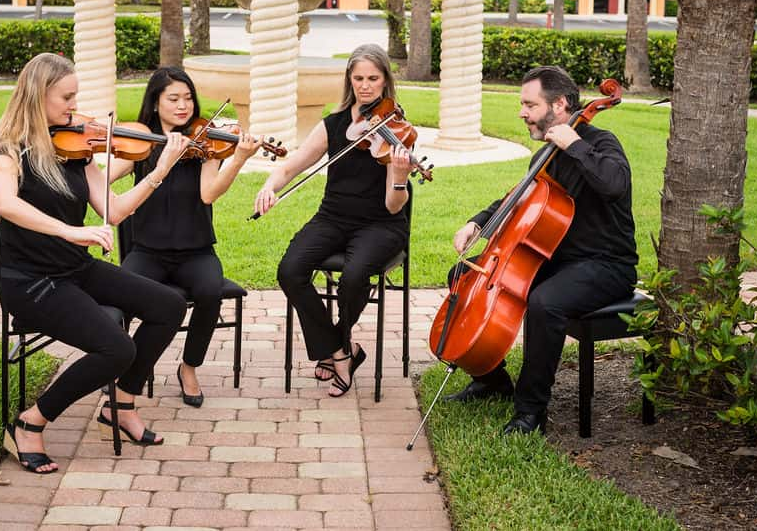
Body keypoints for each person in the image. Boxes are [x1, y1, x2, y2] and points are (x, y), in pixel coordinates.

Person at [0, 53, 187, 474]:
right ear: (38, 96)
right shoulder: (9, 151)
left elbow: (112, 210)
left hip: (74, 270)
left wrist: (159, 170)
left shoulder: (75, 149)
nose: (74, 107)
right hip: (31, 281)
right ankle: (30, 422)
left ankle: (121, 404)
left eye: (75, 97)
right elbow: (7, 204)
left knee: (168, 306)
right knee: (116, 347)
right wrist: (72, 231)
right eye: (66, 97)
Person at [444, 65, 638, 436]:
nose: (522, 112)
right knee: (464, 276)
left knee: (545, 302)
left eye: (529, 105)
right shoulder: (544, 157)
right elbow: (516, 199)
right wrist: (478, 223)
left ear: (560, 104)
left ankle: (530, 412)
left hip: (606, 265)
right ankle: (490, 378)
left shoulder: (600, 142)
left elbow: (615, 184)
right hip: (559, 260)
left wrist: (575, 145)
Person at [255, 44, 412, 397]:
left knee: (355, 276)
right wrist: (269, 185)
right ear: (349, 80)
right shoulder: (334, 124)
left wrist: (399, 176)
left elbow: (392, 206)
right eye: (358, 78)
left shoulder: (397, 130)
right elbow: (292, 165)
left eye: (373, 78)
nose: (366, 86)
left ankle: (335, 348)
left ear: (386, 80)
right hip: (333, 217)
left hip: (380, 224)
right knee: (290, 270)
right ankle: (342, 350)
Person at [110, 66, 262, 407]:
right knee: (120, 298)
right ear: (156, 102)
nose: (183, 105)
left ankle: (189, 367)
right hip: (147, 251)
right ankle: (126, 368)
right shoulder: (142, 143)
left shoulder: (206, 140)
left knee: (210, 291)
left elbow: (208, 194)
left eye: (188, 98)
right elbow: (103, 179)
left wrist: (237, 159)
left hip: (196, 251)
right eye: (173, 98)